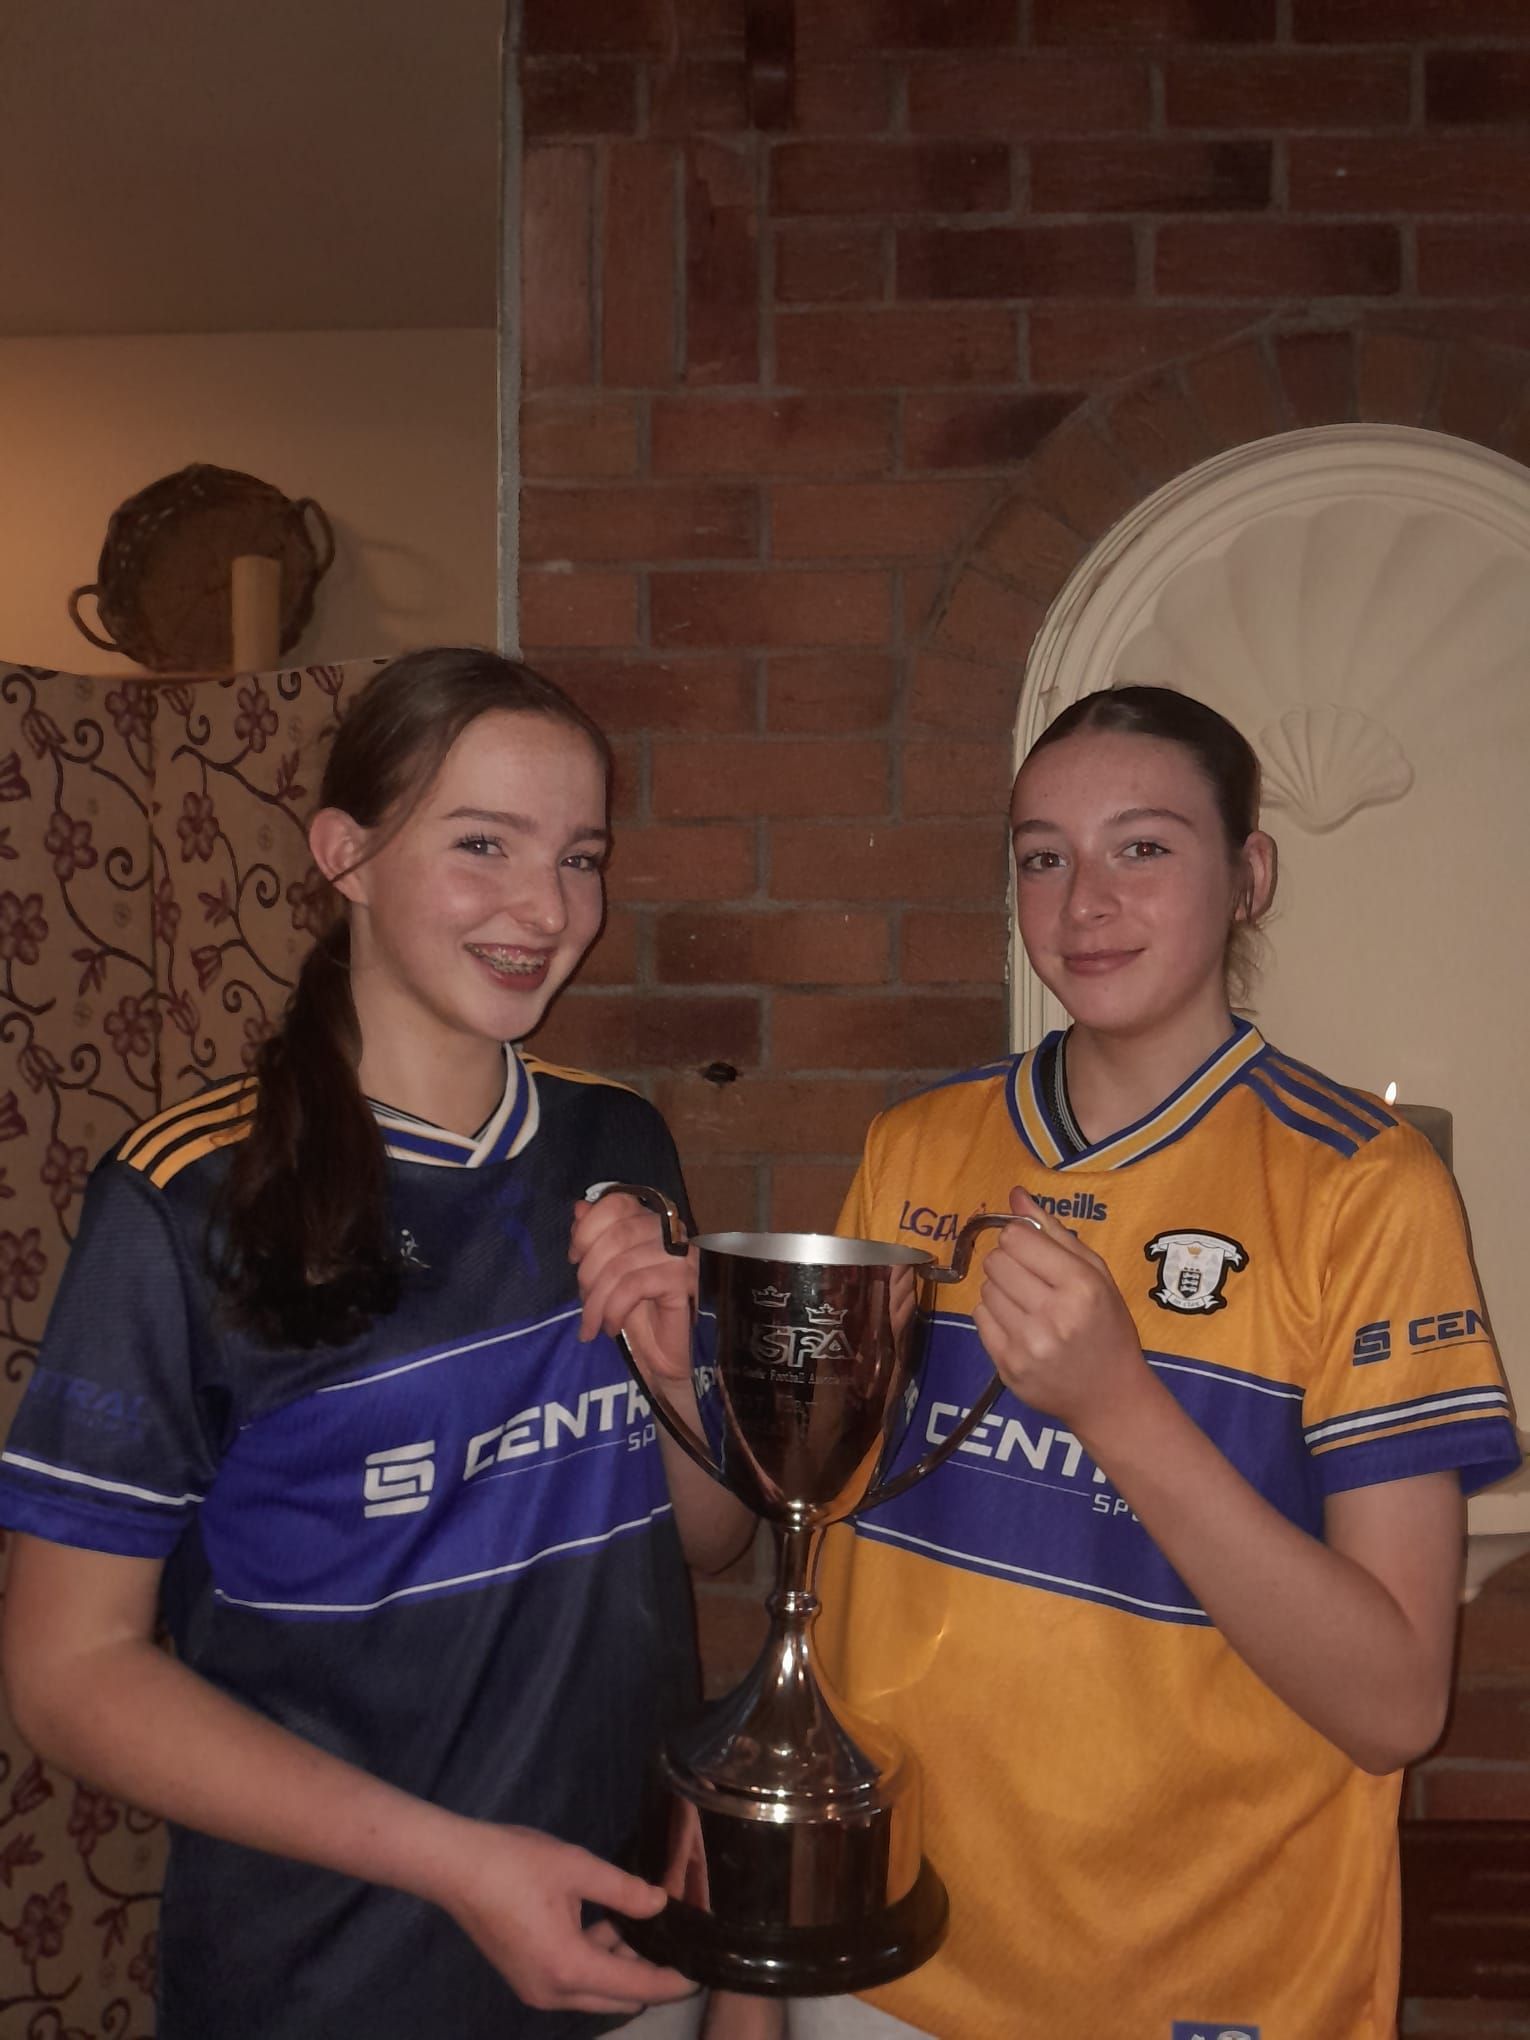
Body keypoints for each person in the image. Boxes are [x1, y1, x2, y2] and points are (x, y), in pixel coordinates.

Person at [575, 685, 1520, 2040]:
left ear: (1248, 874)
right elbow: (798, 1553)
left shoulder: (1362, 1189)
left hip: (1202, 1986)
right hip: (880, 1958)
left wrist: (1116, 1403)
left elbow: (1393, 1704)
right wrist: (685, 1382)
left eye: (1143, 847)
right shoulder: (918, 1147)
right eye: (1042, 856)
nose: (1085, 902)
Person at [0, 647, 751, 2040]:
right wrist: (458, 1866)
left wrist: (676, 1373)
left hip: (628, 1942)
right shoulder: (184, 1200)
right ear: (344, 854)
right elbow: (68, 1674)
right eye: (483, 844)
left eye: (580, 857)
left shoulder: (616, 1138)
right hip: (332, 1980)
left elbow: (707, 1541)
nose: (547, 909)